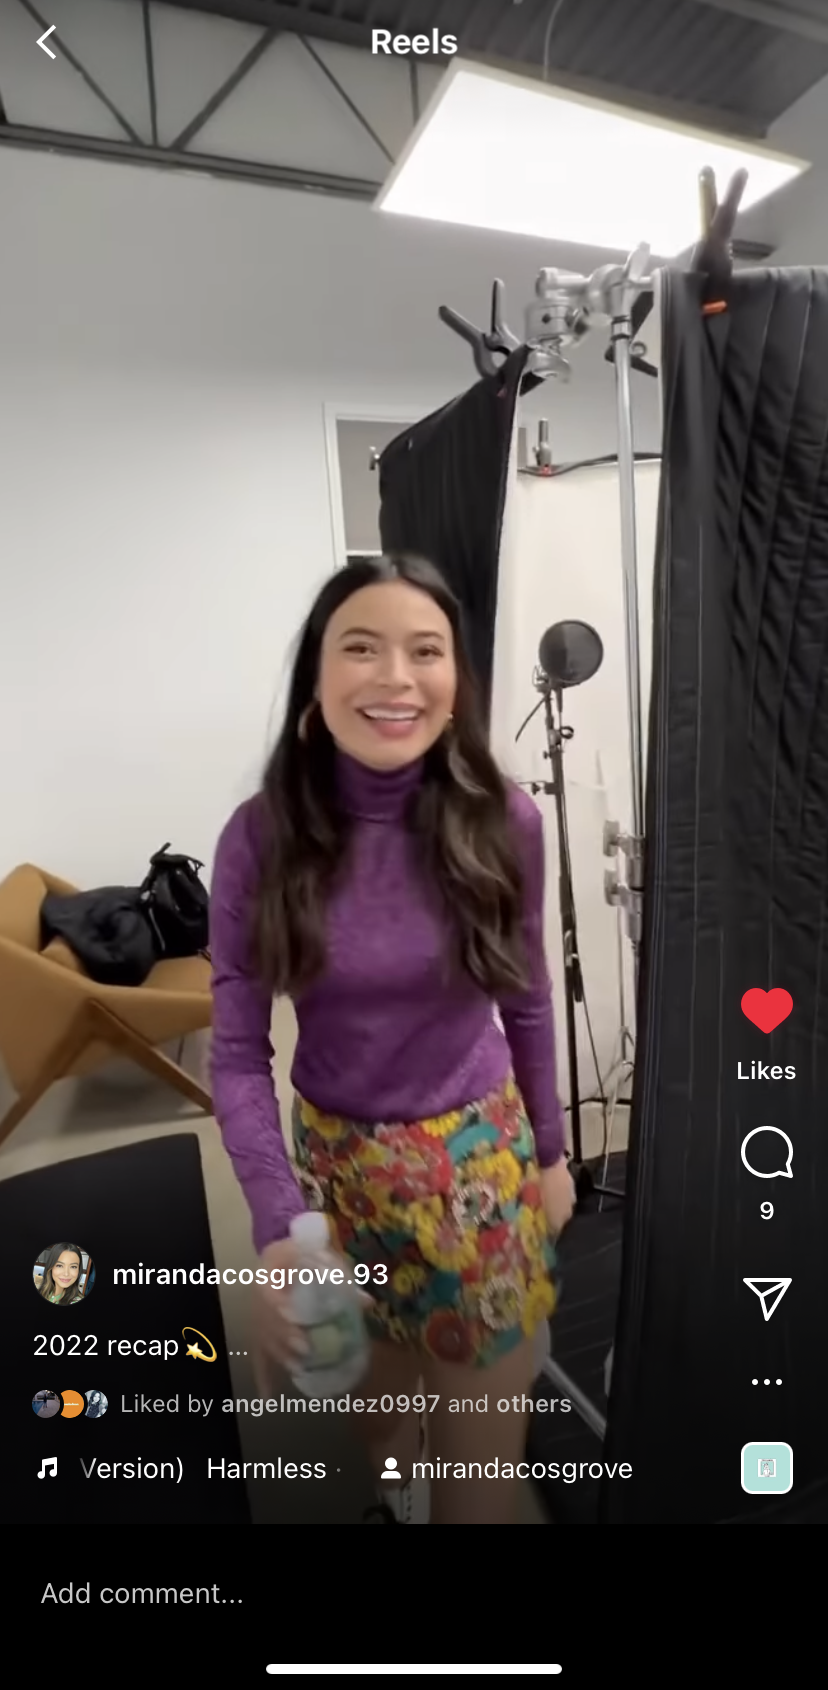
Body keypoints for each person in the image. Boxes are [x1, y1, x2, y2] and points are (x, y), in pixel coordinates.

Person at [209, 552, 575, 1525]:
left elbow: (528, 999)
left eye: (426, 650)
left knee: (476, 1493)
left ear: (456, 680)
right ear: (317, 676)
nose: (396, 677)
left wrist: (550, 1154)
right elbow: (237, 1052)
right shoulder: (260, 837)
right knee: (380, 1434)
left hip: (476, 1167)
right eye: (362, 648)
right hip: (337, 1176)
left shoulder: (506, 821)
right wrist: (278, 1227)